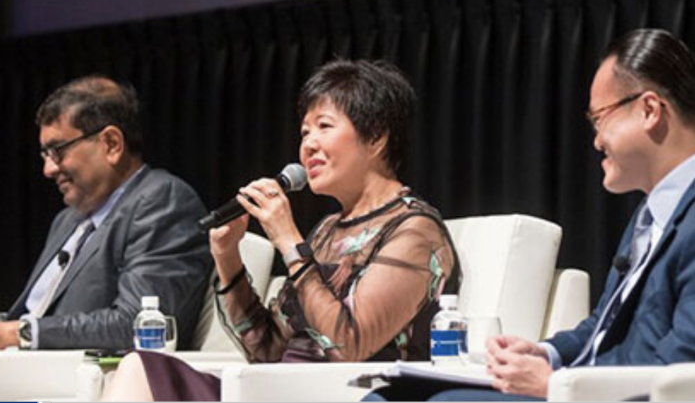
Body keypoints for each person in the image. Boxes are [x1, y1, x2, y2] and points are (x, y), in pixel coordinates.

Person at [101, 59, 461, 401]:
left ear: (376, 137)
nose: (308, 144)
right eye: (305, 132)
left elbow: (349, 347)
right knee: (140, 368)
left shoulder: (414, 231)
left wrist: (289, 240)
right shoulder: (326, 231)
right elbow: (268, 350)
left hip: (346, 396)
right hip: (282, 391)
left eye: (324, 126)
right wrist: (227, 258)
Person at [371, 28, 695, 402]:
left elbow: (679, 369)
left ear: (649, 110)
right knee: (390, 396)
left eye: (598, 118)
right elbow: (601, 326)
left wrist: (554, 384)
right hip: (578, 389)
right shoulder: (650, 215)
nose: (596, 140)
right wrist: (544, 353)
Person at [0, 76, 213, 400]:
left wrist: (11, 333)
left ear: (111, 143)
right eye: (44, 154)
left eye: (57, 151)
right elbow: (36, 317)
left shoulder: (162, 200)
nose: (48, 169)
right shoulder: (68, 220)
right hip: (8, 372)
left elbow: (136, 324)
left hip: (64, 383)